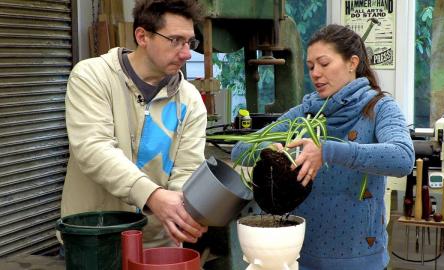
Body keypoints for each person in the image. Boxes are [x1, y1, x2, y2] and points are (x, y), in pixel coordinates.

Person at [231, 24, 414, 270]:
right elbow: (240, 150)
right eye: (310, 67)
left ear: (352, 63)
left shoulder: (379, 107)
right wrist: (268, 149)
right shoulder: (304, 113)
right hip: (301, 259)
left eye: (324, 64)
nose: (315, 73)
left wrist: (327, 150)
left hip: (360, 260)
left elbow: (402, 158)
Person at [60, 0, 208, 247]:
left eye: (190, 42)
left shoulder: (190, 99)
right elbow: (94, 149)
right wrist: (153, 196)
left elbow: (188, 168)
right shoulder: (93, 77)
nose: (186, 53)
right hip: (95, 241)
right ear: (142, 36)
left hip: (158, 246)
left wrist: (181, 213)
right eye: (175, 41)